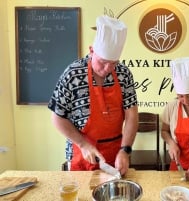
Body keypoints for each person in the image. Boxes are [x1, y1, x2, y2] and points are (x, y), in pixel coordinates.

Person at [48, 15, 138, 174]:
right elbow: (57, 117)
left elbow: (132, 115)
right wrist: (83, 144)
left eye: (114, 63)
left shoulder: (123, 74)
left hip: (115, 155)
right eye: (103, 62)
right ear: (91, 51)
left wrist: (125, 150)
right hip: (82, 154)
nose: (108, 69)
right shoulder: (73, 75)